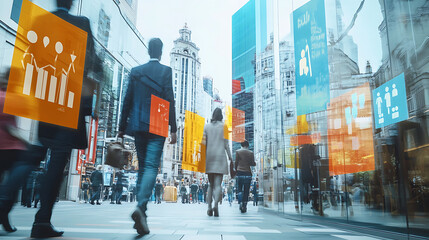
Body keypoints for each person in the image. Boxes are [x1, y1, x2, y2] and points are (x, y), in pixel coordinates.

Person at [0, 0, 102, 237]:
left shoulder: (41, 21)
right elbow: (92, 61)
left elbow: (30, 59)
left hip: (46, 98)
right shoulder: (81, 22)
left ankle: (4, 202)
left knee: (36, 151)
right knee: (57, 161)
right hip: (67, 99)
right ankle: (41, 221)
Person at [118, 37, 177, 237]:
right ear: (160, 52)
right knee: (151, 167)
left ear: (148, 51)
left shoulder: (136, 71)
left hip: (138, 125)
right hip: (158, 123)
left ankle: (142, 213)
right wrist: (174, 128)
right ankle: (141, 206)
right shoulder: (166, 71)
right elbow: (170, 99)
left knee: (143, 168)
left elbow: (127, 99)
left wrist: (121, 127)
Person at [201, 108, 233, 217]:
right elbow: (226, 144)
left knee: (210, 184)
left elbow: (203, 143)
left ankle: (209, 207)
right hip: (220, 156)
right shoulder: (224, 126)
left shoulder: (207, 126)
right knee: (218, 184)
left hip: (209, 156)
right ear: (221, 116)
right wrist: (230, 157)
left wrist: (203, 157)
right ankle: (216, 205)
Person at [235, 140, 255, 213]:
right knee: (246, 190)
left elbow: (236, 162)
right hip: (247, 173)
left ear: (241, 145)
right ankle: (244, 205)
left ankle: (240, 201)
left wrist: (235, 170)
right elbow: (252, 163)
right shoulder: (251, 153)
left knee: (239, 189)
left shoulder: (238, 152)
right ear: (248, 145)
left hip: (239, 172)